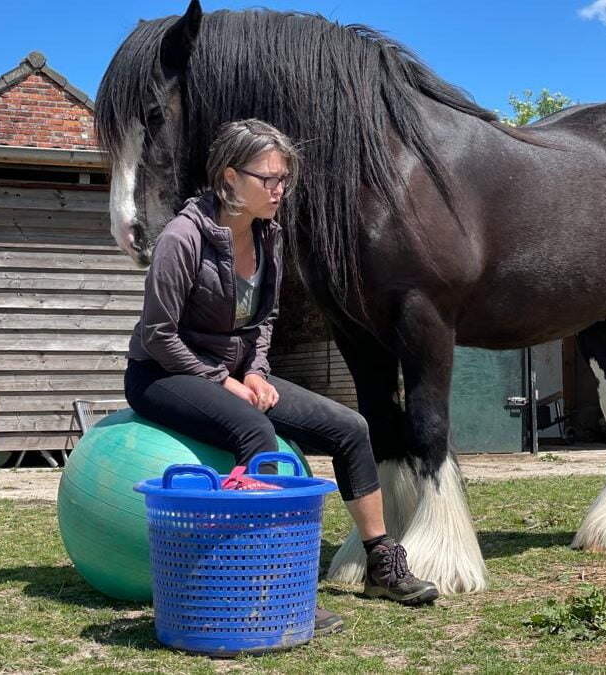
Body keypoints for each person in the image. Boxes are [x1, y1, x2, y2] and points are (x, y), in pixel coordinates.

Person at [124, 118, 439, 635]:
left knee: (352, 429)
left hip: (232, 371)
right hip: (161, 373)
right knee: (256, 432)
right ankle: (266, 583)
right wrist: (220, 379)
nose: (279, 190)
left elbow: (264, 319)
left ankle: (382, 564)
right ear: (229, 178)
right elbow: (159, 334)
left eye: (284, 180)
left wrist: (256, 370)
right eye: (267, 178)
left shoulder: (270, 236)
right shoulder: (182, 238)